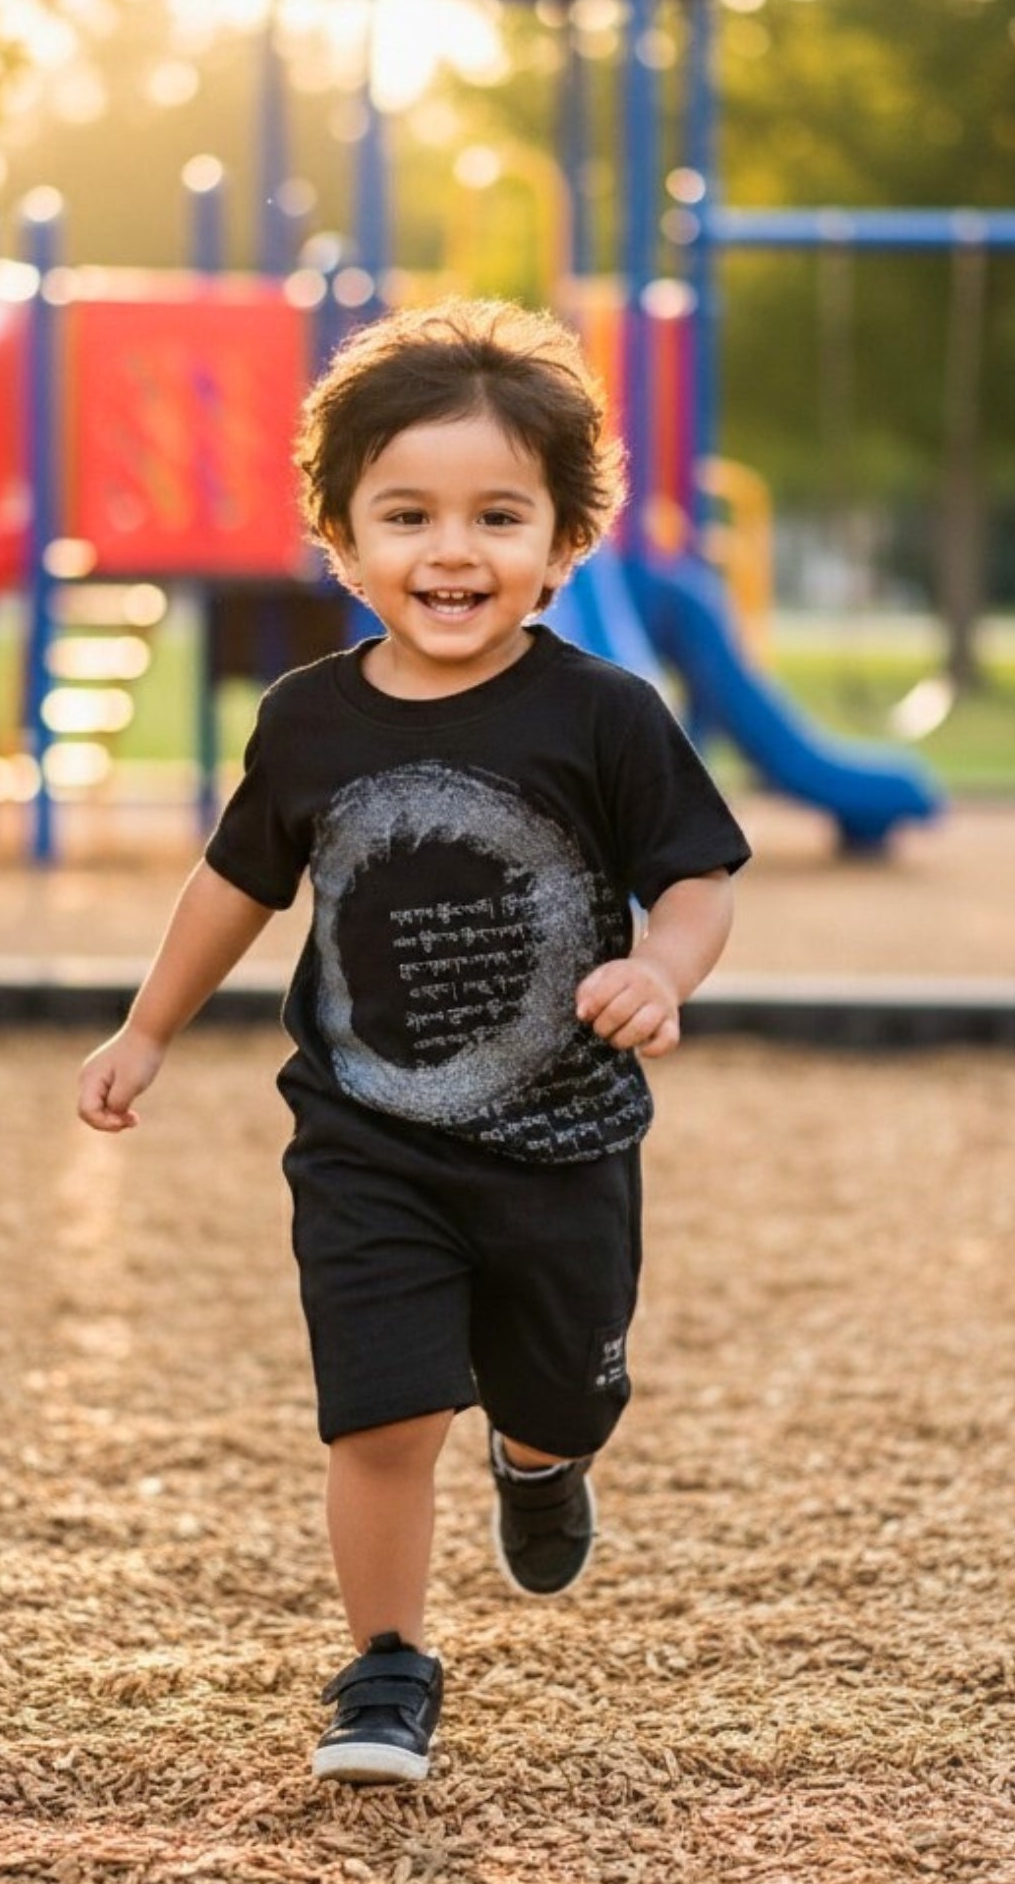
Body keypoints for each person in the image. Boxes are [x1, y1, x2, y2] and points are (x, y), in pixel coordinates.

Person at [77, 299, 750, 1785]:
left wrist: (664, 967)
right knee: (383, 1417)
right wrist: (146, 1032)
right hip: (365, 1137)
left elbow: (695, 873)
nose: (453, 552)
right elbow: (237, 882)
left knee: (561, 1390)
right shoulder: (308, 722)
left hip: (563, 1145)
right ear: (342, 537)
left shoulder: (605, 715)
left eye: (498, 516)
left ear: (563, 542)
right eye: (409, 515)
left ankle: (543, 1456)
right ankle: (385, 1670)